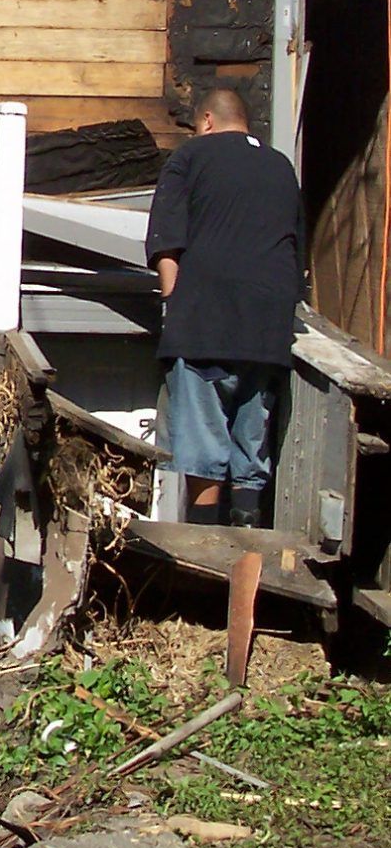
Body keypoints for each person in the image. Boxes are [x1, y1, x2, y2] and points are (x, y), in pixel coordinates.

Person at [144, 86, 304, 527]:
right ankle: (247, 544)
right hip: (268, 330)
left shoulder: (191, 158)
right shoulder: (281, 167)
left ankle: (205, 552)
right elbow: (294, 249)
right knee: (251, 449)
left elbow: (166, 243)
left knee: (202, 451)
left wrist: (173, 305)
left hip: (204, 326)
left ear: (208, 121)